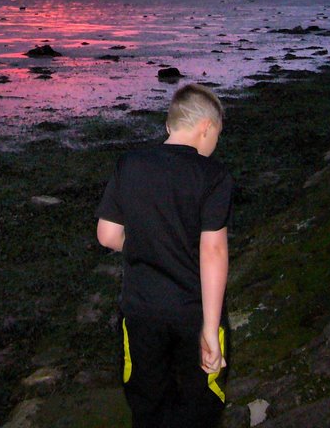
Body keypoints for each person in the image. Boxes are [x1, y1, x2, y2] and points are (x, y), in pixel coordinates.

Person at [95, 83, 233, 428]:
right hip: (192, 312)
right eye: (216, 134)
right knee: (199, 404)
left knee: (148, 404)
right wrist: (210, 328)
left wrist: (148, 244)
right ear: (206, 127)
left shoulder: (129, 164)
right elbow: (213, 250)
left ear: (170, 126)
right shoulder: (213, 175)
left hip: (141, 311)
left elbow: (108, 235)